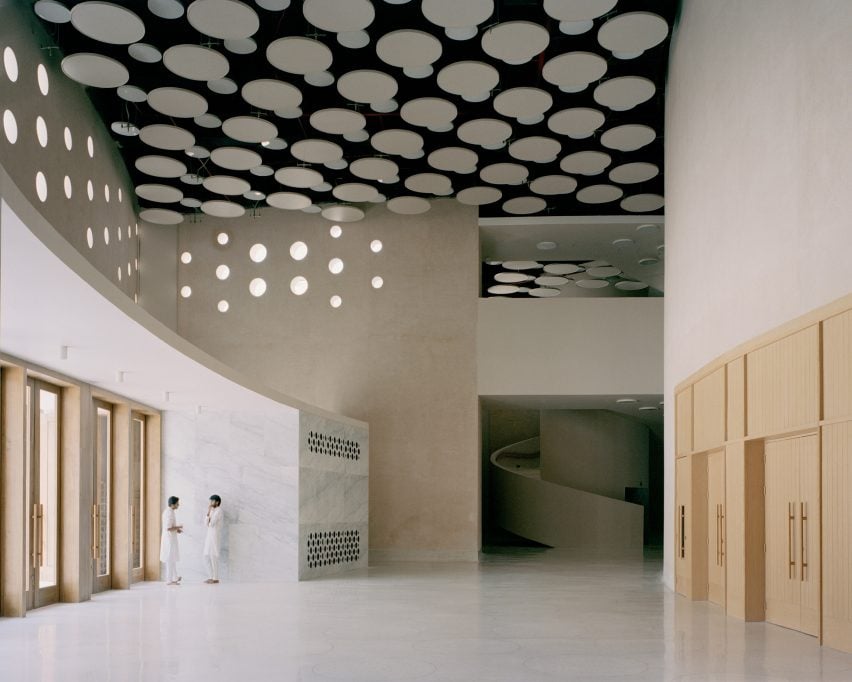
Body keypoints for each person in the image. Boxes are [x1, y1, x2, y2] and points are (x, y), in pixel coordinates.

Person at [160, 496, 182, 585]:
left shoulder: (170, 511)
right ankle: (169, 580)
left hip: (170, 538)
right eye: (177, 503)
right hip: (169, 539)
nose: (178, 505)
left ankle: (175, 577)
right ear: (172, 504)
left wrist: (177, 529)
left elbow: (170, 526)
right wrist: (179, 527)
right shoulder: (169, 513)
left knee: (172, 558)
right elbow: (168, 527)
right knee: (169, 558)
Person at [203, 494, 223, 584]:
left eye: (212, 501)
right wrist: (208, 512)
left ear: (217, 502)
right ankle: (211, 577)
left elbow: (211, 524)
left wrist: (209, 520)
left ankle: (215, 578)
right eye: (210, 501)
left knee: (214, 556)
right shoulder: (211, 511)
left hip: (215, 535)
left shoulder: (219, 511)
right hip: (209, 535)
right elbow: (205, 523)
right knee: (206, 555)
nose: (210, 503)